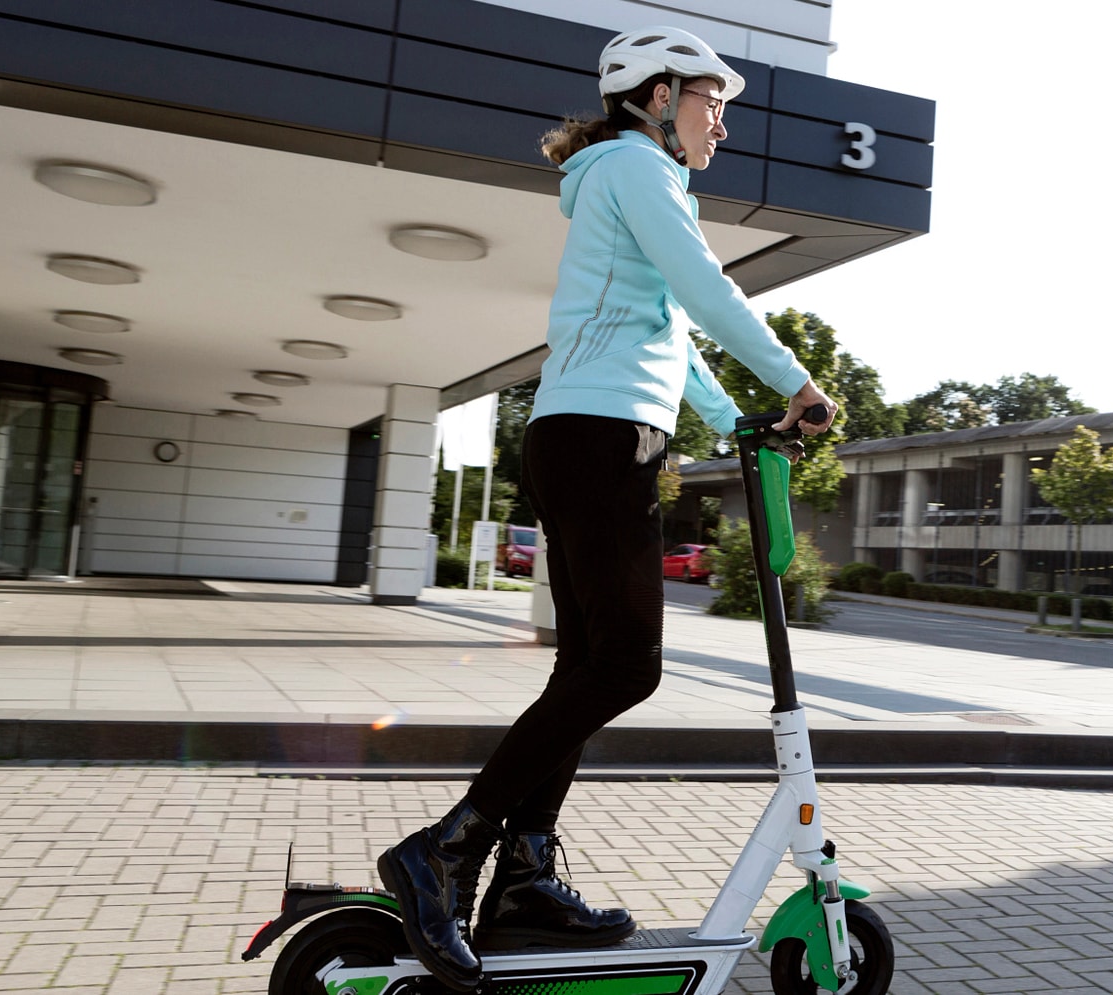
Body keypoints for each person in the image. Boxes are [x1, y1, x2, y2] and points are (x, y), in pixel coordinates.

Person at [375, 26, 836, 992]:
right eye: (712, 100)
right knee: (627, 664)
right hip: (596, 438)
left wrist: (732, 418)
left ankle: (524, 879)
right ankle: (447, 849)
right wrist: (797, 383)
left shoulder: (627, 176)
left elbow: (669, 326)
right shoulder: (637, 170)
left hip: (594, 436)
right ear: (659, 96)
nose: (722, 120)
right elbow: (702, 288)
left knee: (588, 666)